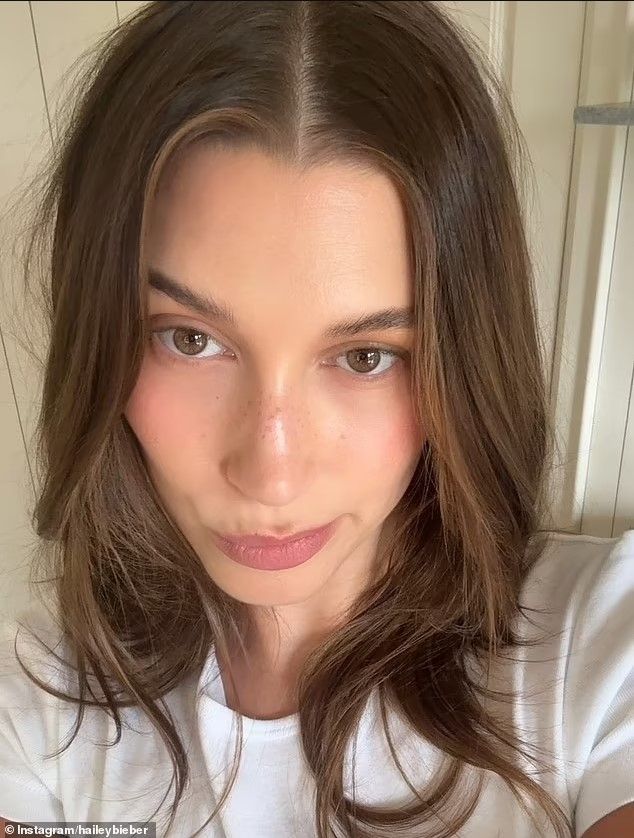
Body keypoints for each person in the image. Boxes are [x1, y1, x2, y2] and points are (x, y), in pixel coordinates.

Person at [0, 2, 632, 836]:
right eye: (190, 340)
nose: (273, 473)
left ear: (462, 364)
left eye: (366, 356)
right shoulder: (37, 704)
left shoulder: (599, 654)